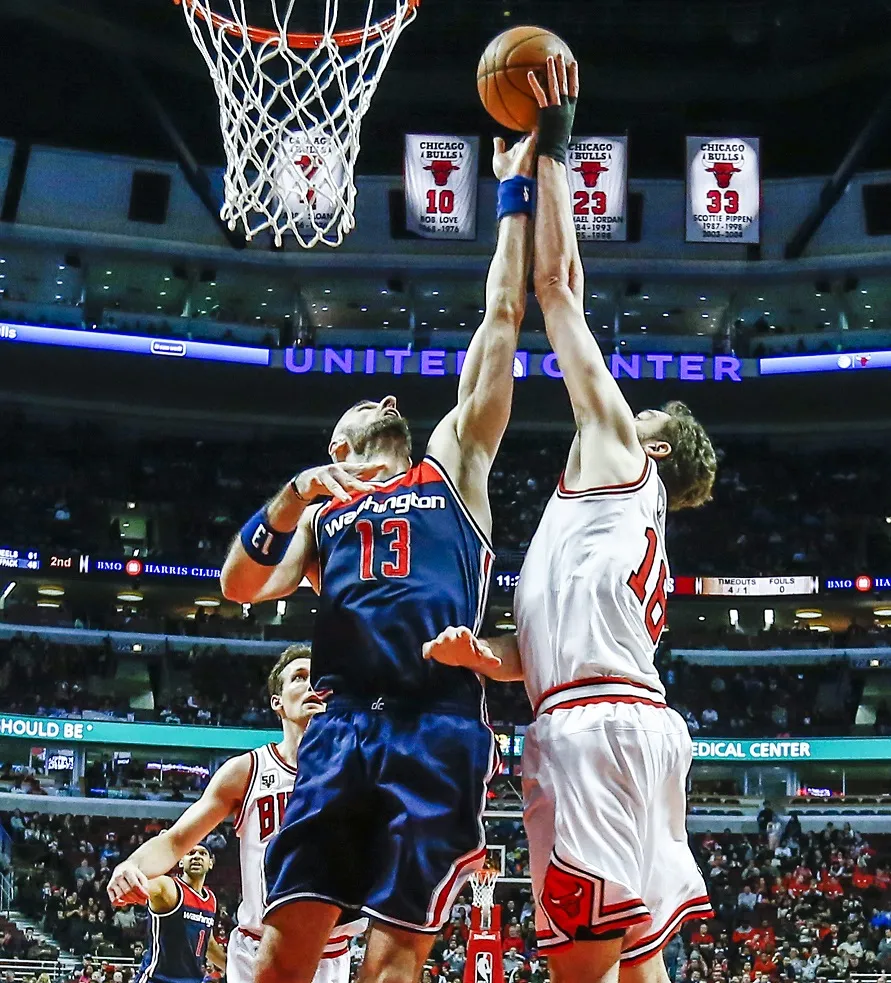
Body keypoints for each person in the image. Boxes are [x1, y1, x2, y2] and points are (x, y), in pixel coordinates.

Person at [423, 54, 716, 983]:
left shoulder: (620, 453)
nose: (627, 406)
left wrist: (549, 149)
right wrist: (490, 656)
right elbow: (549, 647)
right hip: (627, 718)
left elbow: (556, 288)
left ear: (655, 447)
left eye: (644, 413)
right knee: (639, 962)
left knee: (582, 968)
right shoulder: (610, 515)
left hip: (590, 733)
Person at [218, 132, 538, 983]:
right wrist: (289, 497)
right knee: (287, 951)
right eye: (364, 403)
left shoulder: (452, 463)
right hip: (343, 721)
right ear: (337, 444)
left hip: (436, 718)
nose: (386, 397)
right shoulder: (321, 513)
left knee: (394, 960)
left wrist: (513, 195)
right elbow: (238, 584)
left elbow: (501, 319)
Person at [107, 646, 363, 983]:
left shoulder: (360, 770)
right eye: (300, 677)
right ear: (277, 702)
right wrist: (131, 866)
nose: (311, 686)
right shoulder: (248, 770)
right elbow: (175, 842)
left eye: (318, 679)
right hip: (258, 948)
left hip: (330, 952)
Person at [129, 844, 225, 983]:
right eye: (190, 853)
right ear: (180, 861)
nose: (196, 857)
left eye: (202, 853)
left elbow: (208, 943)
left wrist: (234, 968)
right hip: (157, 979)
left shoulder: (211, 899)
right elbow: (143, 883)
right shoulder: (168, 887)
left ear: (210, 863)